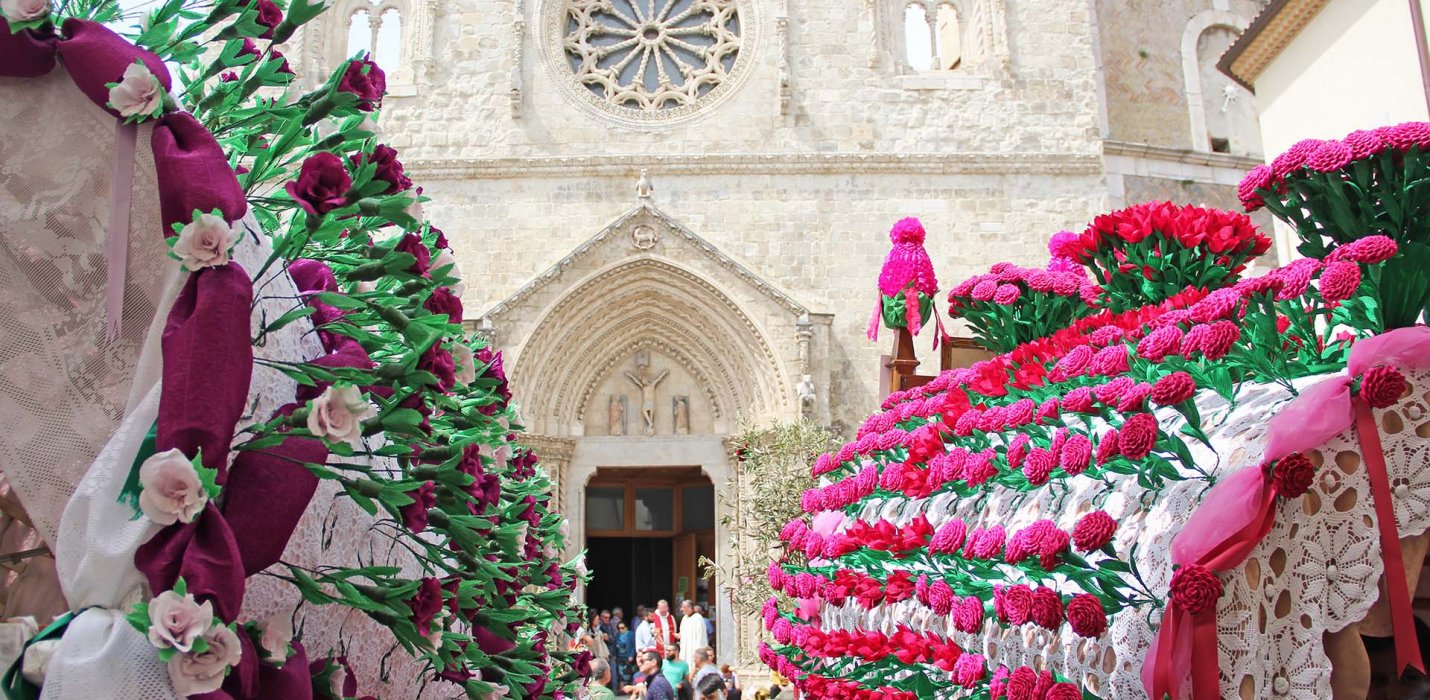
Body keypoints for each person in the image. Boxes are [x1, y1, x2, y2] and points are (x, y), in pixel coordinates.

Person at [678, 599, 708, 667]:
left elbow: (701, 637)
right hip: (685, 648)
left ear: (689, 608)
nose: (681, 609)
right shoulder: (684, 618)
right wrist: (680, 635)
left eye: (683, 607)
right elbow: (682, 632)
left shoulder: (698, 618)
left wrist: (698, 653)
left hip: (693, 648)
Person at [614, 620, 636, 687]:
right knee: (621, 673)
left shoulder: (631, 634)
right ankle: (622, 689)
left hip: (628, 656)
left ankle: (631, 688)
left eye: (622, 628)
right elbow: (615, 647)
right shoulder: (618, 635)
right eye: (619, 628)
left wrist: (632, 655)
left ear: (626, 627)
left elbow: (634, 646)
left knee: (630, 672)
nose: (620, 630)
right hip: (620, 657)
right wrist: (615, 655)